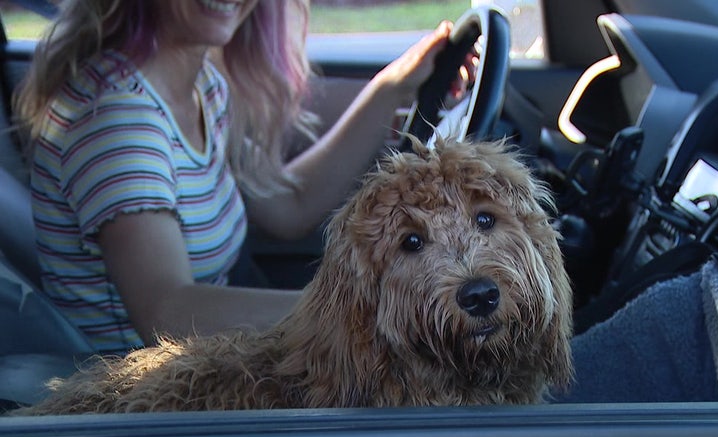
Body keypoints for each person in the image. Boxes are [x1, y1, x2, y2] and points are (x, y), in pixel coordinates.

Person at [13, 0, 455, 352]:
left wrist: (393, 85)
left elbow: (289, 204)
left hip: (206, 365)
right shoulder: (118, 119)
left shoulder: (201, 84)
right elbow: (166, 311)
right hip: (142, 408)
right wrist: (367, 307)